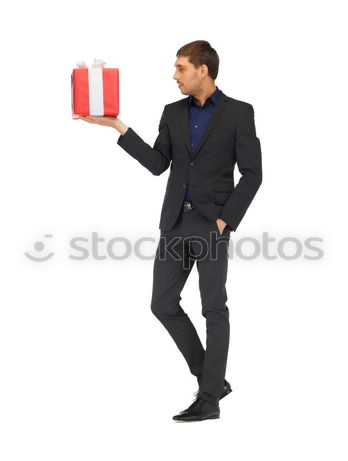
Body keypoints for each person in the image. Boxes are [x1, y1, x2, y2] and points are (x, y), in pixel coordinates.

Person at [78, 40, 262, 422]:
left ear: (203, 71)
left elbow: (253, 173)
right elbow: (159, 163)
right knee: (162, 304)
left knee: (214, 307)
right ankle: (212, 379)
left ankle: (208, 399)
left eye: (181, 68)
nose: (174, 75)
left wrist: (225, 220)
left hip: (211, 224)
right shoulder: (172, 112)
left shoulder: (239, 113)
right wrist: (116, 125)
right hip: (175, 223)